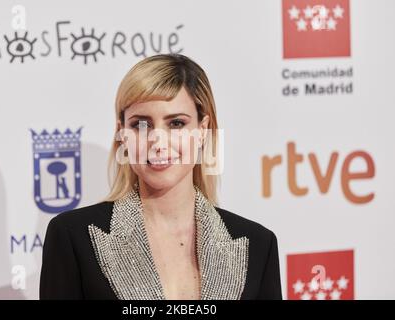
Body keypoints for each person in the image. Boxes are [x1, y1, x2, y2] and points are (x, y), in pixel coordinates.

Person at [40, 53, 282, 300]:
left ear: (202, 130)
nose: (158, 141)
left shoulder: (258, 245)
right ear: (122, 134)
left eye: (176, 123)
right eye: (140, 125)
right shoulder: (72, 237)